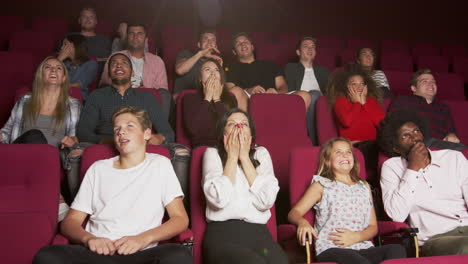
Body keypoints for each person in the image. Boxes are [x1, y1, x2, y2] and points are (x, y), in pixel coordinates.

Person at [33, 105, 192, 264]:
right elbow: (69, 223)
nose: (121, 132)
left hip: (141, 253)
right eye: (117, 129)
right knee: (47, 256)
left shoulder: (160, 165)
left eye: (130, 126)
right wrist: (90, 239)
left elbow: (180, 219)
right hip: (99, 253)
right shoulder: (98, 168)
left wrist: (143, 239)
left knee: (179, 255)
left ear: (147, 133)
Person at [288, 137, 406, 264]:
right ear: (328, 160)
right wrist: (302, 222)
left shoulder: (364, 186)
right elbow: (294, 212)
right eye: (338, 152)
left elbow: (373, 227)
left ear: (353, 159)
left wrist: (357, 237)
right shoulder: (322, 185)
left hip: (362, 247)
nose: (344, 155)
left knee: (397, 250)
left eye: (348, 152)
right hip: (332, 249)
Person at [202, 108, 288, 264]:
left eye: (244, 124)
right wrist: (233, 157)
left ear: (251, 135)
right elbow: (218, 199)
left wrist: (244, 157)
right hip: (223, 235)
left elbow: (266, 201)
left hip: (259, 235)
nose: (239, 128)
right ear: (224, 134)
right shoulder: (212, 154)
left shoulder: (261, 154)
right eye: (232, 124)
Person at [377, 109, 468, 256]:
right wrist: (412, 169)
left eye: (416, 131)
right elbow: (396, 214)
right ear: (396, 148)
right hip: (435, 239)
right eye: (406, 136)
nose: (415, 138)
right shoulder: (391, 167)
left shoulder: (454, 158)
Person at [0, 56, 82, 219]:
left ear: (64, 77)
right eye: (48, 67)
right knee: (35, 137)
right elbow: (7, 130)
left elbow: (75, 137)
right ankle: (57, 199)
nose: (53, 70)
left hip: (54, 159)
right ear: (40, 75)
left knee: (47, 153)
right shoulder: (25, 101)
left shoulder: (73, 105)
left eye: (59, 68)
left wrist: (74, 140)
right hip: (21, 154)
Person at [77, 53, 174, 145]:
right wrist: (112, 142)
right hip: (106, 145)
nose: (119, 65)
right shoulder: (96, 96)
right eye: (114, 63)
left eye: (124, 63)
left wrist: (159, 138)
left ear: (132, 73)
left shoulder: (148, 97)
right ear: (109, 74)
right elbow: (83, 133)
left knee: (179, 151)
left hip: (141, 147)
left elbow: (168, 133)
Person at [99, 23, 170, 120]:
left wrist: (145, 91)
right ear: (127, 37)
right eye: (132, 33)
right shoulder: (116, 57)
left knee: (165, 95)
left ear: (146, 39)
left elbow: (163, 90)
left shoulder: (157, 61)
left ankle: (162, 131)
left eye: (139, 34)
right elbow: (104, 84)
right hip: (121, 98)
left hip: (148, 102)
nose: (135, 37)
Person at [226, 32, 311, 111]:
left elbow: (283, 86)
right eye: (238, 43)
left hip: (274, 98)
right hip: (248, 98)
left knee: (304, 95)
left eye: (246, 41)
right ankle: (245, 125)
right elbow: (230, 89)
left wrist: (276, 92)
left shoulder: (270, 64)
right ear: (234, 51)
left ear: (252, 47)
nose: (243, 44)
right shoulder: (231, 68)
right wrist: (248, 90)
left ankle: (293, 127)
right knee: (236, 91)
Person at [387, 69, 461, 144]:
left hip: (441, 147)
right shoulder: (402, 101)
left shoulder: (443, 108)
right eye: (425, 81)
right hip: (413, 144)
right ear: (414, 88)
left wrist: (451, 135)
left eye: (433, 82)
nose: (431, 84)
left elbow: (451, 131)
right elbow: (391, 128)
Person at [284, 36, 330, 144]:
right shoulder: (290, 68)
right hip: (300, 106)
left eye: (313, 47)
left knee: (317, 96)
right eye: (306, 46)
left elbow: (330, 92)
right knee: (313, 95)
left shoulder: (323, 71)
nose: (310, 49)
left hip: (321, 106)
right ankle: (314, 143)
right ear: (298, 52)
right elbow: (288, 92)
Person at [182, 58, 237, 147]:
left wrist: (217, 100)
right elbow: (193, 130)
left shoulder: (231, 98)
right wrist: (207, 98)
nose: (213, 73)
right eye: (207, 70)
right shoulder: (189, 98)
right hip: (204, 147)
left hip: (228, 147)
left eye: (216, 70)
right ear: (200, 78)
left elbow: (231, 129)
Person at [174, 29, 223, 96]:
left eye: (213, 40)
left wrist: (219, 69)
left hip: (207, 97)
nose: (209, 42)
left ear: (216, 46)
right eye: (205, 39)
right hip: (184, 97)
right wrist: (200, 54)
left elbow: (218, 89)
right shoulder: (186, 54)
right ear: (199, 44)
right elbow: (180, 70)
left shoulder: (216, 62)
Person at [58, 34, 98, 100]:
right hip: (59, 96)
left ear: (73, 45)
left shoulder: (91, 63)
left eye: (65, 44)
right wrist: (59, 59)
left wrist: (55, 86)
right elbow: (47, 78)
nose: (62, 48)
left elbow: (79, 85)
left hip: (77, 99)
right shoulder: (63, 63)